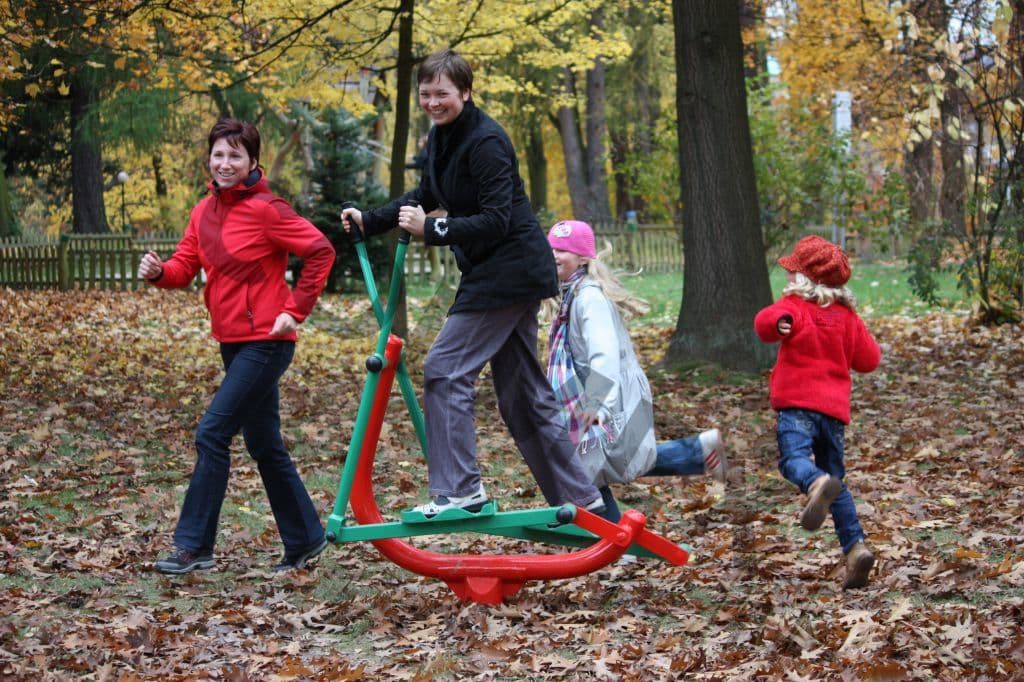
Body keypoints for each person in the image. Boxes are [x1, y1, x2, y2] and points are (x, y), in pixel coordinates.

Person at [340, 48, 604, 518]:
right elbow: (424, 196)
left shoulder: (486, 142)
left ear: (465, 91)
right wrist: (371, 219)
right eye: (425, 94)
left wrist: (434, 230)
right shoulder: (440, 139)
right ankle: (587, 506)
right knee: (523, 398)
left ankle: (461, 491)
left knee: (444, 368)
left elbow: (497, 219)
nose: (432, 102)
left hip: (510, 271)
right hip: (494, 272)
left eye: (442, 93)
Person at [138, 118, 336, 574]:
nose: (225, 163)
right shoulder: (202, 212)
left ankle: (193, 546)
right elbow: (184, 267)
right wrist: (157, 272)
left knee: (212, 432)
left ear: (252, 162)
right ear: (210, 159)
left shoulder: (268, 210)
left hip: (267, 341)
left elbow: (321, 250)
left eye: (235, 156)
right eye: (219, 155)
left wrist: (296, 307)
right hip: (231, 342)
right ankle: (306, 539)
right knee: (265, 444)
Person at [545, 220, 728, 523]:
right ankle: (700, 450)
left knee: (591, 470)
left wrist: (596, 402)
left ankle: (616, 546)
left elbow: (604, 355)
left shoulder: (588, 297)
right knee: (602, 465)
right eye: (551, 247)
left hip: (607, 393)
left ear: (583, 258)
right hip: (589, 392)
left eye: (562, 249)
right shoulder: (572, 294)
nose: (554, 254)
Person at [754, 235, 881, 589]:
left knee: (793, 460)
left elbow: (765, 322)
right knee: (838, 484)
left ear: (806, 280)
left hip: (797, 407)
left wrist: (778, 322)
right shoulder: (847, 317)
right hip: (834, 416)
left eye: (794, 272)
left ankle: (815, 482)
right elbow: (869, 360)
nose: (789, 278)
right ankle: (856, 549)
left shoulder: (793, 307)